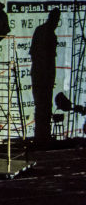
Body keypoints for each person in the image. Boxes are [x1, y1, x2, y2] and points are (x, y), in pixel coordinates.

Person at [31, 8, 60, 145]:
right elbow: (46, 58)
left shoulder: (41, 31)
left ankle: (41, 135)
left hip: (40, 74)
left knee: (42, 106)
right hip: (43, 75)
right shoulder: (48, 34)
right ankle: (42, 136)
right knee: (44, 106)